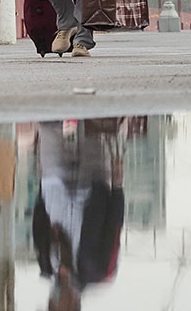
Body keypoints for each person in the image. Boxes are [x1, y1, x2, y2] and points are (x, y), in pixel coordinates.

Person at [32, 119, 126, 309]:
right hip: (91, 189)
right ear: (75, 306)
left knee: (50, 126)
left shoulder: (47, 267)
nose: (60, 303)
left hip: (53, 183)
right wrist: (117, 187)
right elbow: (114, 228)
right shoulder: (99, 273)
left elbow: (38, 225)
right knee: (91, 125)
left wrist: (40, 187)